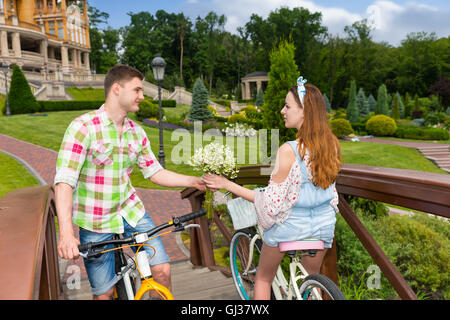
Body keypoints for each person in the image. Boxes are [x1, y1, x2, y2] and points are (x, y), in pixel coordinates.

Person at [54, 64, 205, 300]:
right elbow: (64, 181)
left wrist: (193, 180)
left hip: (131, 213)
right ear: (117, 89)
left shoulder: (137, 132)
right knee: (103, 295)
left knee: (162, 271)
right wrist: (65, 232)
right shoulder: (82, 127)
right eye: (137, 90)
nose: (142, 96)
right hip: (95, 222)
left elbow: (154, 172)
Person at [202, 76, 341, 300]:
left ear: (304, 111)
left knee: (264, 278)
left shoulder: (289, 151)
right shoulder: (332, 145)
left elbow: (270, 204)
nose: (281, 110)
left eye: (287, 106)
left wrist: (226, 184)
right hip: (323, 227)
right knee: (310, 278)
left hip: (291, 228)